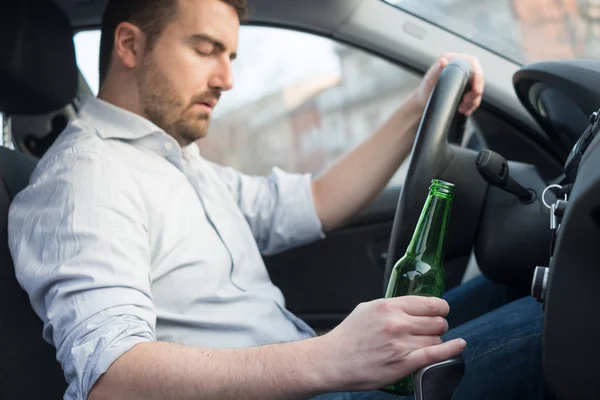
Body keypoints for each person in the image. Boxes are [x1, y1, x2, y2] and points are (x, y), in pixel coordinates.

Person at [7, 0, 551, 399]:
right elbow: (114, 379)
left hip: (312, 378)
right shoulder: (84, 180)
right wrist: (331, 357)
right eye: (205, 50)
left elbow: (317, 200)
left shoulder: (172, 161)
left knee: (526, 284)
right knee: (565, 323)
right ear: (129, 45)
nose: (227, 79)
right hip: (309, 386)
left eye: (232, 55)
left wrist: (420, 104)